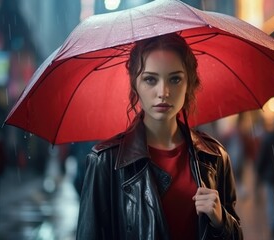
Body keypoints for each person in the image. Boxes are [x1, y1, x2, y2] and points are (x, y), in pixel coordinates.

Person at [76, 33, 243, 240]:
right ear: (135, 84)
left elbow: (236, 235)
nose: (163, 91)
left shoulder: (215, 156)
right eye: (150, 79)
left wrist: (221, 221)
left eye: (175, 79)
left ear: (189, 83)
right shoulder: (105, 161)